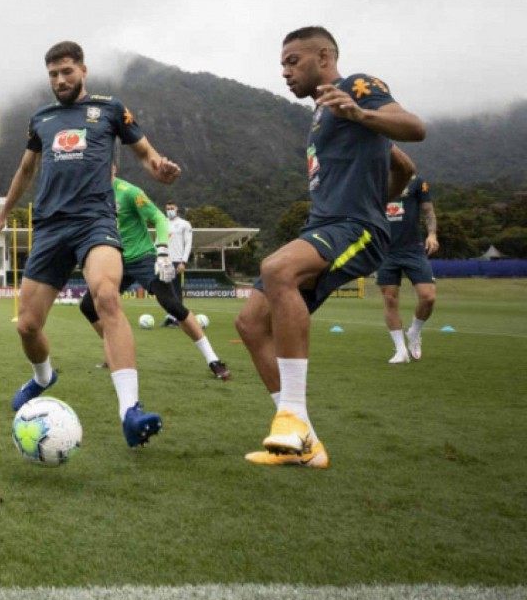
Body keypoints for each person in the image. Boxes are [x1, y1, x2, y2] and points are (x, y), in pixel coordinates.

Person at [235, 26, 424, 468]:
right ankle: (307, 447)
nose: (284, 71)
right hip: (325, 226)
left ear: (323, 56)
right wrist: (383, 192)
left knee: (278, 268)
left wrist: (362, 115)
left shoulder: (357, 87)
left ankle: (293, 416)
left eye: (291, 61)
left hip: (353, 226)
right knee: (249, 324)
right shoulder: (321, 113)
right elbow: (404, 164)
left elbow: (415, 128)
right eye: (281, 63)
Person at [0, 40, 181, 448]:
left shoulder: (110, 109)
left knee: (106, 294)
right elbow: (26, 169)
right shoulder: (41, 118)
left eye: (67, 71)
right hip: (50, 226)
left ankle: (130, 411)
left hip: (95, 221)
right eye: (53, 74)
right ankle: (43, 377)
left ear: (83, 71)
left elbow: (144, 153)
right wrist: (4, 212)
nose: (60, 79)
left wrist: (158, 167)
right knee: (26, 325)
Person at [80, 167, 230, 380]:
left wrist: (162, 252)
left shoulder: (130, 192)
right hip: (114, 259)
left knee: (171, 304)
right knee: (88, 306)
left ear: (113, 166)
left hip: (143, 257)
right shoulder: (89, 194)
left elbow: (159, 218)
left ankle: (213, 360)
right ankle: (114, 352)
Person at [378, 174, 438, 363]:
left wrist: (432, 234)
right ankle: (400, 349)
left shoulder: (416, 181)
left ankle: (414, 332)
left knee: (428, 297)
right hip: (385, 250)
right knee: (390, 298)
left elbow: (428, 211)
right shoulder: (370, 179)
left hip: (413, 249)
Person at [161, 199, 192, 327]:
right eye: (167, 209)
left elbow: (188, 243)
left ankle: (178, 318)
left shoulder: (184, 224)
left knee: (175, 290)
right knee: (166, 291)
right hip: (164, 261)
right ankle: (170, 316)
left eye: (172, 208)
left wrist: (183, 261)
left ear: (177, 208)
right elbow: (159, 241)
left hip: (177, 261)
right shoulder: (162, 223)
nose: (170, 211)